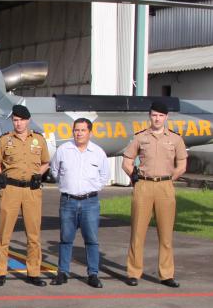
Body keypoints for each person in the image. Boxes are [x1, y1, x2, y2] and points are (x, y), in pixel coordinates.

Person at [121, 101, 187, 288]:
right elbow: (126, 161)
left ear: (166, 117)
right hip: (144, 185)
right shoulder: (140, 137)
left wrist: (170, 179)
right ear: (149, 116)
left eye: (161, 116)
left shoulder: (175, 139)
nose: (157, 119)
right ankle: (134, 272)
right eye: (154, 115)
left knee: (166, 234)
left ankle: (166, 274)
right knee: (138, 232)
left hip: (165, 186)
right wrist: (134, 177)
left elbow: (182, 164)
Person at [0, 104, 50, 287]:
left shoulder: (39, 140)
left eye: (21, 120)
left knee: (33, 234)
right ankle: (0, 272)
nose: (18, 123)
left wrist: (37, 175)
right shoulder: (5, 140)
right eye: (15, 120)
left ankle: (33, 272)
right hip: (11, 189)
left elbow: (46, 162)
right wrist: (2, 177)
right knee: (4, 233)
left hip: (31, 190)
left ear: (28, 120)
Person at [49, 118, 110, 288]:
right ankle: (62, 272)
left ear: (90, 132)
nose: (79, 133)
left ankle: (93, 274)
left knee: (91, 239)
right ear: (72, 131)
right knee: (66, 238)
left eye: (83, 130)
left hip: (90, 202)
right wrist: (65, 185)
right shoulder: (63, 150)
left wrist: (93, 187)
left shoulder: (98, 152)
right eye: (76, 130)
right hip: (68, 201)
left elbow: (104, 175)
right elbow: (55, 170)